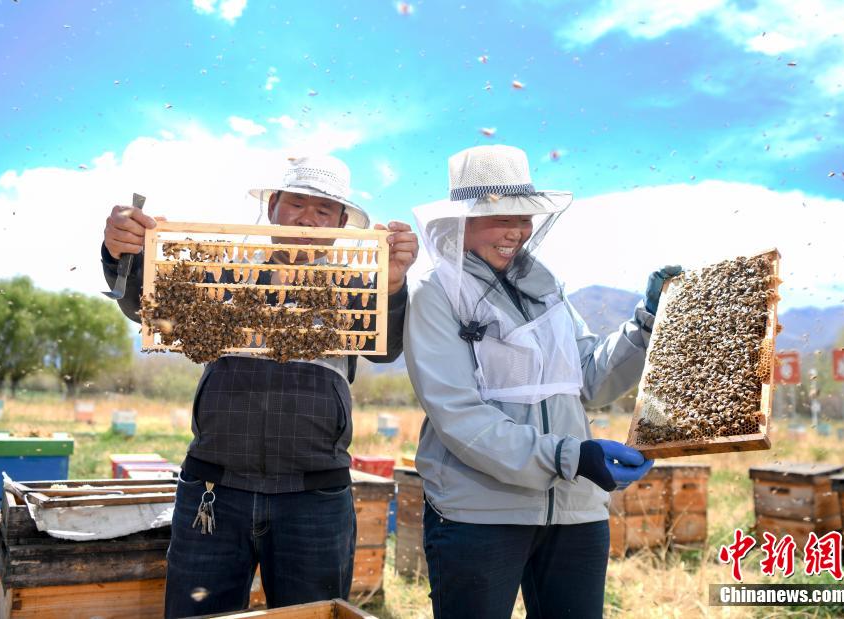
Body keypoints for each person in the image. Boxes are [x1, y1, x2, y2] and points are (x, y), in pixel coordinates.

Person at [100, 155, 418, 618]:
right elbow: (148, 307)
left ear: (340, 224)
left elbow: (385, 348)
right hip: (214, 488)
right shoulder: (225, 272)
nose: (307, 219)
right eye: (296, 204)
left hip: (315, 497)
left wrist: (391, 286)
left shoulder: (355, 284)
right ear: (272, 207)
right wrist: (123, 254)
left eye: (323, 210)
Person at [403, 144, 680, 619]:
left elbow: (588, 378)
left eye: (524, 217)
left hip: (576, 509)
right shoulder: (435, 293)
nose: (516, 231)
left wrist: (646, 325)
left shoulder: (546, 289)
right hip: (481, 512)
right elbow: (459, 416)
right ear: (462, 220)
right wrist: (571, 456)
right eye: (501, 218)